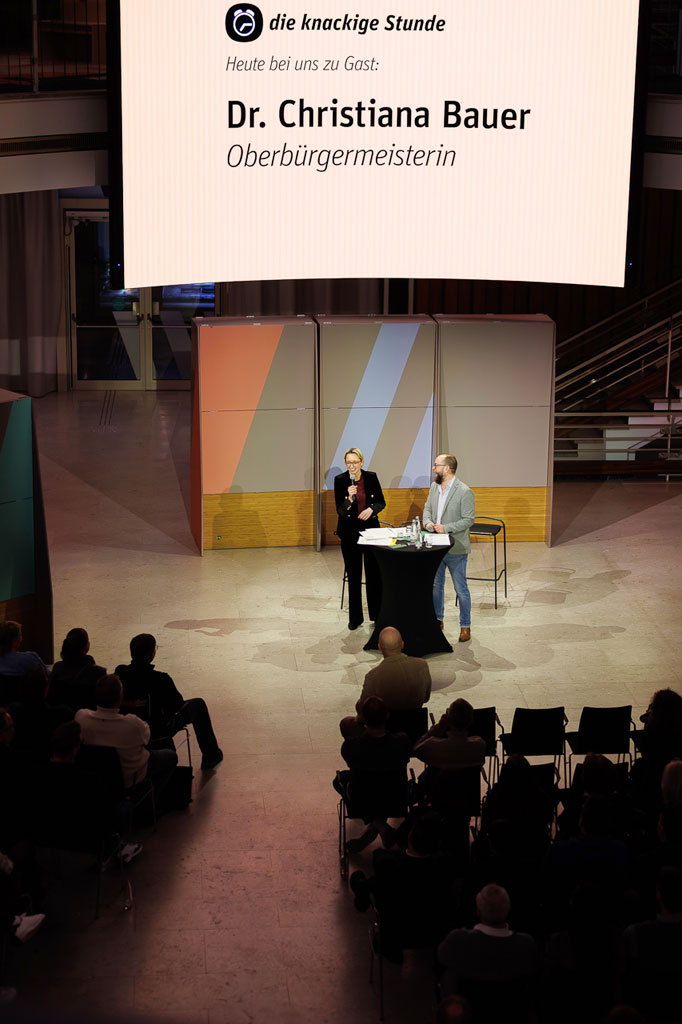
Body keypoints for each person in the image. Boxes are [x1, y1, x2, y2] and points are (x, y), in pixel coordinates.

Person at [114, 633, 223, 771]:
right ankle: (211, 755)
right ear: (152, 654)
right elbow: (177, 705)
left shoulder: (120, 673)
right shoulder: (161, 679)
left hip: (126, 728)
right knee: (198, 705)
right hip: (158, 730)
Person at [75, 674, 177, 789]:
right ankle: (150, 795)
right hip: (130, 778)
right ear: (120, 698)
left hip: (94, 776)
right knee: (171, 756)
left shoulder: (81, 717)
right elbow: (147, 738)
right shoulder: (133, 724)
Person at [437, 883, 538, 999]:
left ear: (478, 912)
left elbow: (441, 957)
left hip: (468, 1007)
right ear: (508, 909)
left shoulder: (459, 940)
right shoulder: (526, 945)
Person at [340, 626, 431, 739]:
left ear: (379, 648)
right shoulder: (422, 665)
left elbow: (364, 712)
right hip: (416, 729)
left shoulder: (373, 676)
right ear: (402, 644)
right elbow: (426, 698)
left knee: (346, 723)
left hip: (385, 732)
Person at [423, 454, 475, 642]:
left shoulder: (464, 491)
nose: (433, 468)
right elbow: (427, 509)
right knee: (436, 586)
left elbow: (468, 520)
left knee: (461, 589)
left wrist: (446, 528)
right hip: (435, 546)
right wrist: (428, 523)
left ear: (447, 468)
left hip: (456, 548)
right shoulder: (434, 487)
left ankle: (465, 626)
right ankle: (438, 620)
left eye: (436, 465)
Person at [333, 446, 386, 630]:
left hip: (370, 532)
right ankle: (355, 618)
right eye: (348, 462)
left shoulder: (371, 477)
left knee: (374, 575)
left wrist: (371, 509)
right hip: (349, 533)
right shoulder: (340, 480)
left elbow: (381, 502)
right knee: (354, 575)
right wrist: (349, 498)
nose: (351, 466)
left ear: (362, 462)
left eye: (355, 462)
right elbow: (340, 511)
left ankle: (376, 615)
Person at [413, 698, 485, 769]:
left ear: (448, 719)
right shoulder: (479, 745)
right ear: (471, 721)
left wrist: (439, 727)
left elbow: (416, 749)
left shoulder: (433, 746)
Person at [48, 627, 105, 713]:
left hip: (61, 718)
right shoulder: (98, 673)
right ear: (87, 646)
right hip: (88, 718)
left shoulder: (57, 669)